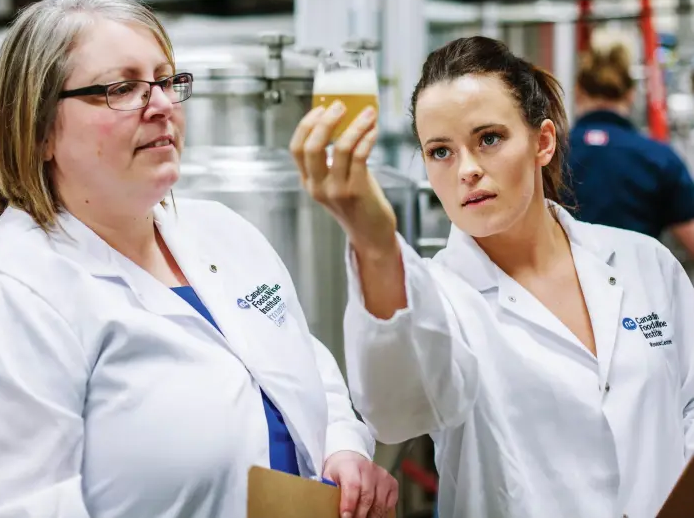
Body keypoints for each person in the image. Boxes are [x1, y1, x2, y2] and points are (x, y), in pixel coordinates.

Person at [0, 0, 397, 518]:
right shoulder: (1, 294)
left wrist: (341, 447)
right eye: (123, 87)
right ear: (40, 128)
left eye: (165, 81)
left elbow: (304, 363)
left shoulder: (224, 232)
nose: (161, 104)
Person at [290, 36, 694, 518]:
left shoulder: (643, 262)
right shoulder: (436, 296)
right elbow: (396, 412)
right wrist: (375, 243)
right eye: (440, 151)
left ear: (542, 142)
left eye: (489, 139)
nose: (467, 170)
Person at [568, 39, 694, 256]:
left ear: (578, 92)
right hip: (640, 286)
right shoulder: (660, 158)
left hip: (560, 286)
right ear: (630, 95)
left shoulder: (545, 155)